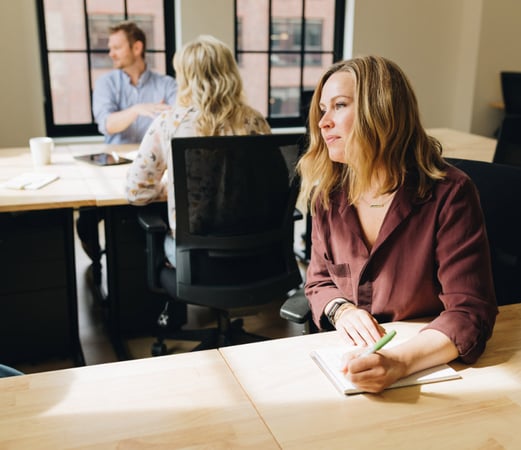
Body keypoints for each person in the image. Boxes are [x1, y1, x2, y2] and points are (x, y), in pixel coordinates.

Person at [299, 55, 498, 393]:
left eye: (339, 106)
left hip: (427, 365)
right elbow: (318, 283)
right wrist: (343, 311)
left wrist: (398, 363)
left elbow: (469, 310)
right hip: (348, 367)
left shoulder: (450, 194)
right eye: (322, 109)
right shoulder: (328, 196)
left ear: (381, 111)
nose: (323, 122)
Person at [125, 35, 271, 266]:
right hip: (255, 249)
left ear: (185, 77)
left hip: (194, 257)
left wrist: (171, 187)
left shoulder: (169, 123)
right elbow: (273, 184)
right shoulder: (254, 120)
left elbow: (136, 191)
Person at [78, 21, 178, 295]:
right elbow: (107, 124)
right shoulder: (106, 83)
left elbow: (176, 118)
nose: (111, 53)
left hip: (156, 166)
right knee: (85, 218)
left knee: (156, 207)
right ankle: (97, 262)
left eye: (116, 47)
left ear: (137, 47)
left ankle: (152, 278)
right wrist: (137, 110)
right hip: (115, 164)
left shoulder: (167, 83)